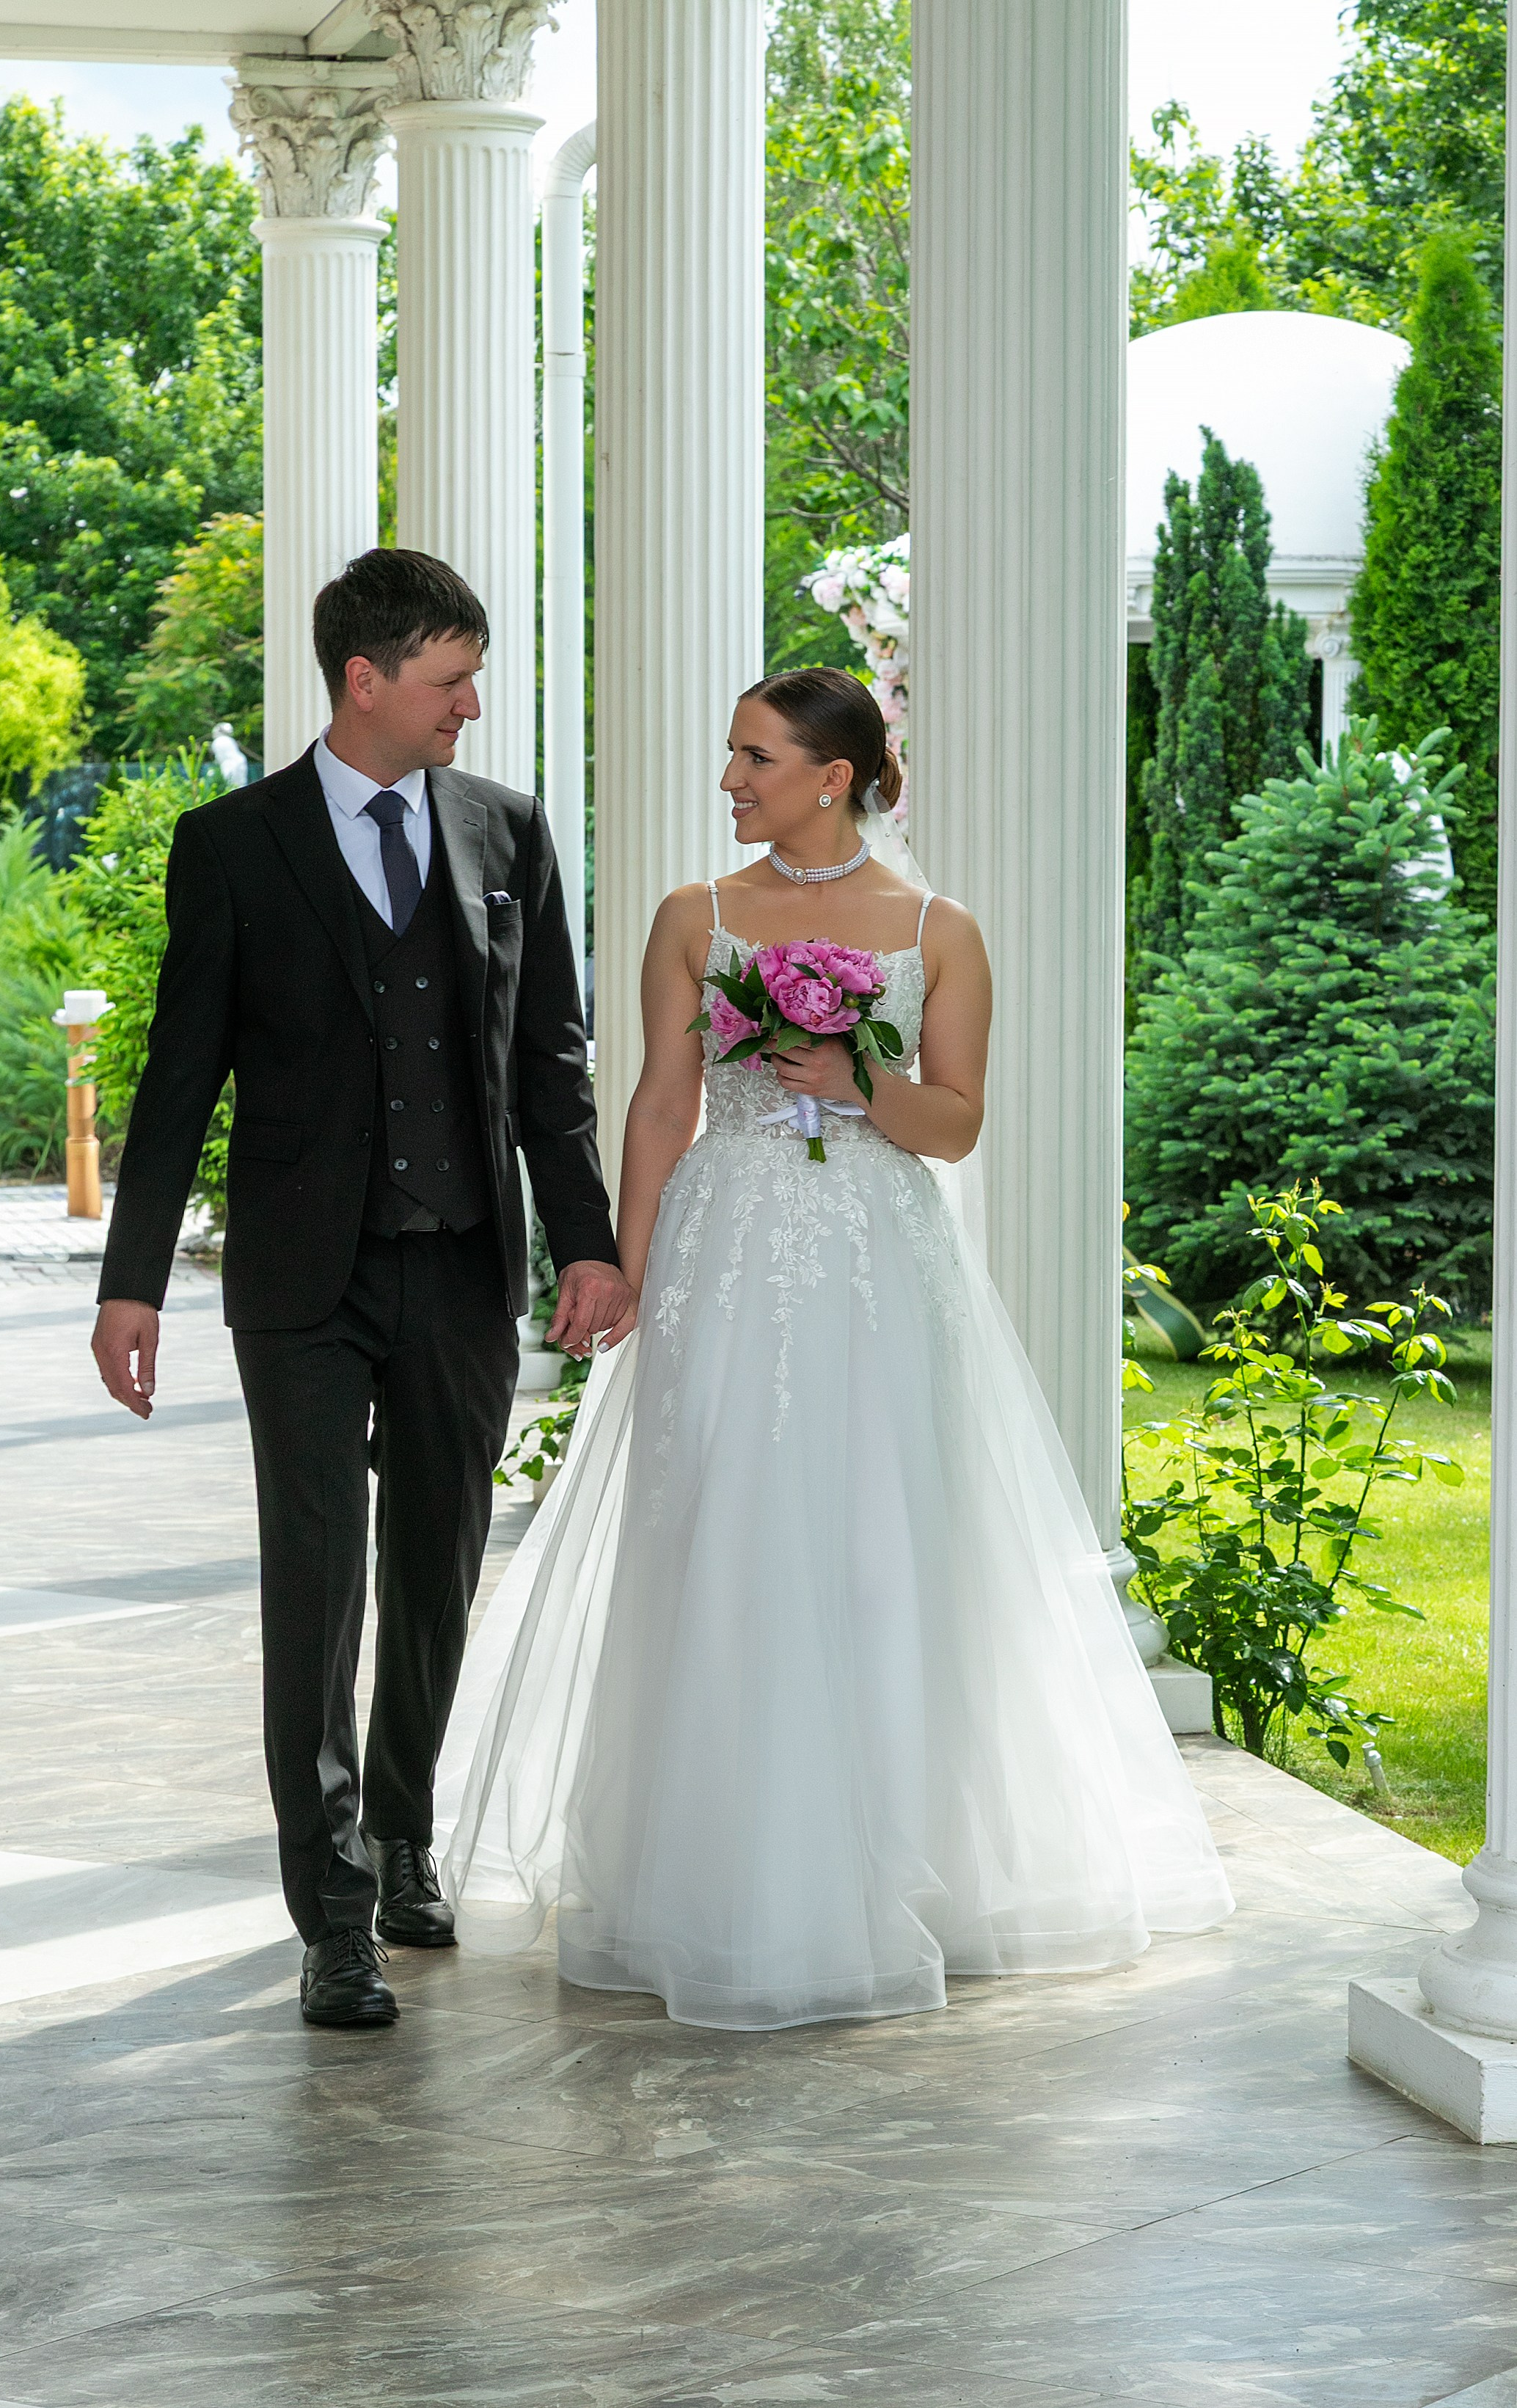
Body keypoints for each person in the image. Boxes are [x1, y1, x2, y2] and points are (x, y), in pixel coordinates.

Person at [439, 666, 1234, 2030]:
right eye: (732, 755)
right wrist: (625, 1266)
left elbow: (958, 1124)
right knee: (724, 1535)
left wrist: (860, 1082)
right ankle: (727, 1873)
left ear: (835, 775)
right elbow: (656, 1102)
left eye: (755, 757)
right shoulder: (697, 915)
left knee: (881, 1541)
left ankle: (896, 1866)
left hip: (879, 1261)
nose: (732, 780)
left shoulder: (942, 928)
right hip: (725, 1251)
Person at [91, 550, 632, 2030]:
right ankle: (330, 1909)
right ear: (364, 681)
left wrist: (583, 1242)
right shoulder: (233, 845)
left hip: (458, 1263)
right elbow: (178, 1074)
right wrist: (129, 1282)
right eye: (449, 683)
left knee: (441, 1565)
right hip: (301, 1279)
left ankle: (403, 1840)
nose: (469, 708)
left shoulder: (506, 834)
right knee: (318, 1580)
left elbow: (550, 1066)